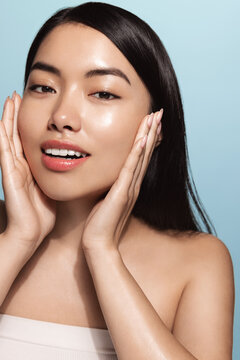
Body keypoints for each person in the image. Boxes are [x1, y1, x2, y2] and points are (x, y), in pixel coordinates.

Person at [0, 2, 234, 359]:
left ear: (155, 127)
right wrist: (19, 239)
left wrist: (102, 252)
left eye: (103, 93)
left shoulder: (198, 263)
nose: (62, 116)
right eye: (43, 87)